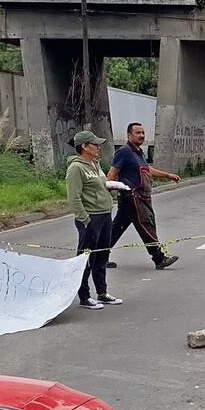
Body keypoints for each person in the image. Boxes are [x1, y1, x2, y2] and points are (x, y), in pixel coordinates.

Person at [106, 123, 180, 271]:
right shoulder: (124, 152)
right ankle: (159, 258)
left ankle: (99, 255)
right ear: (129, 135)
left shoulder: (138, 152)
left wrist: (167, 175)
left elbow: (147, 169)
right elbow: (112, 172)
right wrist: (109, 189)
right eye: (138, 133)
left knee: (116, 228)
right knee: (146, 225)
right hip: (131, 197)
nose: (141, 135)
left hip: (142, 197)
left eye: (143, 133)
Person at [66, 131, 122, 310]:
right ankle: (84, 296)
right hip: (91, 218)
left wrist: (112, 188)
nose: (99, 147)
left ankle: (102, 293)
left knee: (102, 256)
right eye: (95, 144)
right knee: (86, 258)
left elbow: (100, 186)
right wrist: (85, 219)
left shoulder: (95, 164)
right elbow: (73, 197)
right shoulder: (76, 168)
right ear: (84, 146)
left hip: (105, 214)